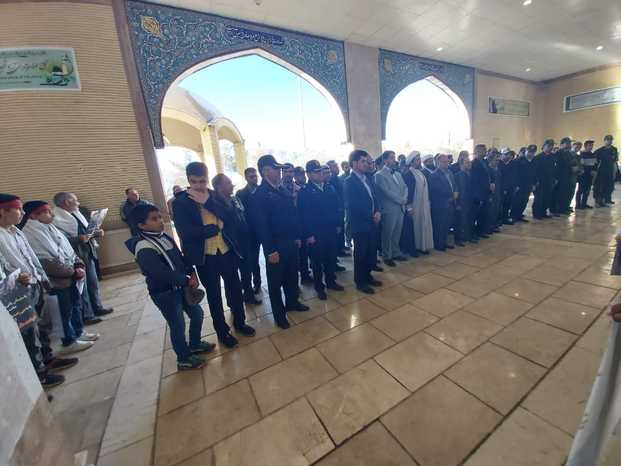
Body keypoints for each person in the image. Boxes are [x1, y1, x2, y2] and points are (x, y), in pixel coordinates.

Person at [172, 162, 255, 348]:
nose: (198, 186)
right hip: (205, 257)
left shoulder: (215, 195)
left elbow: (231, 217)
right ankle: (222, 332)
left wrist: (207, 202)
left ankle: (240, 323)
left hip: (226, 251)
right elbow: (185, 233)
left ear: (207, 178)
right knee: (214, 295)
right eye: (194, 181)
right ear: (188, 180)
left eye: (202, 181)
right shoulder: (180, 202)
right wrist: (211, 229)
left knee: (235, 289)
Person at [0, 194, 77, 388]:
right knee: (28, 333)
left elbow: (30, 258)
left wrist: (41, 278)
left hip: (34, 284)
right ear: (3, 211)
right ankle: (39, 374)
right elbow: (4, 267)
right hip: (17, 292)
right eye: (18, 209)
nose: (22, 213)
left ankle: (47, 359)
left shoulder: (15, 232)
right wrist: (16, 278)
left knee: (41, 327)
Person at [127, 204, 214, 370]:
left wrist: (191, 271)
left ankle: (195, 344)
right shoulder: (143, 246)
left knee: (197, 314)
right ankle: (184, 358)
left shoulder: (164, 237)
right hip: (164, 293)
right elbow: (159, 273)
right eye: (154, 219)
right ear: (141, 225)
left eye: (160, 217)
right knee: (178, 325)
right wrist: (185, 280)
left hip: (180, 287)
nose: (160, 221)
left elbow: (180, 257)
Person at [21, 201, 98, 354]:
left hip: (70, 274)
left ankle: (78, 332)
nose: (52, 214)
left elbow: (67, 250)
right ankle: (69, 341)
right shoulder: (30, 234)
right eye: (47, 212)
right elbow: (44, 262)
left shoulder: (50, 227)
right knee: (64, 312)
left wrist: (78, 265)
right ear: (34, 215)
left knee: (75, 306)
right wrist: (72, 272)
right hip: (57, 280)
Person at [252, 155, 309, 329]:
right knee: (275, 282)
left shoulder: (281, 189)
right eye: (276, 169)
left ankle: (292, 302)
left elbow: (293, 214)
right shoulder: (260, 194)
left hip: (290, 241)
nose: (280, 172)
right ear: (265, 171)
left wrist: (297, 236)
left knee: (292, 275)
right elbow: (261, 226)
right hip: (276, 246)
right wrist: (270, 250)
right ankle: (279, 315)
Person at [52, 192, 113, 324]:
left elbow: (86, 231)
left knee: (93, 282)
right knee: (82, 286)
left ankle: (97, 307)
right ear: (67, 202)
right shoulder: (56, 219)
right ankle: (87, 315)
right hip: (75, 255)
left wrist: (95, 233)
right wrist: (78, 239)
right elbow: (59, 240)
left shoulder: (75, 214)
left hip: (87, 251)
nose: (78, 203)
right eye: (75, 200)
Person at [212, 173, 262, 305]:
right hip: (230, 245)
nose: (232, 185)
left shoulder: (235, 199)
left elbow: (243, 216)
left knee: (246, 271)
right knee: (231, 276)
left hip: (244, 241)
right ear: (219, 187)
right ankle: (232, 302)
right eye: (228, 183)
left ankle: (249, 296)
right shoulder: (216, 204)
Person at [298, 160, 344, 300]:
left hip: (330, 230)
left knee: (331, 258)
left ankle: (331, 281)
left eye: (320, 171)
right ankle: (319, 287)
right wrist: (309, 234)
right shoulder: (305, 192)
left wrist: (338, 224)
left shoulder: (329, 187)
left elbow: (337, 207)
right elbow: (303, 216)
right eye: (316, 172)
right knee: (317, 262)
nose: (320, 174)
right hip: (316, 234)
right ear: (309, 174)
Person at [345, 150, 382, 294]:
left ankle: (368, 276)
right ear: (354, 163)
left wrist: (377, 211)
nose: (367, 164)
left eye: (367, 161)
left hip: (372, 222)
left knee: (370, 252)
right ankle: (360, 282)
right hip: (360, 224)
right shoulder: (349, 182)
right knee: (361, 254)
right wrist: (371, 215)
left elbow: (374, 198)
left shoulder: (367, 178)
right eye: (363, 161)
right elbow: (353, 205)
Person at [374, 150, 408, 266]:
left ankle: (395, 252)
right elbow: (386, 192)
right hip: (389, 208)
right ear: (385, 160)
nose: (394, 160)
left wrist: (405, 198)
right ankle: (387, 255)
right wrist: (401, 200)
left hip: (400, 207)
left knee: (397, 232)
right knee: (387, 233)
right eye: (392, 158)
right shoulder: (379, 175)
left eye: (394, 157)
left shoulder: (398, 174)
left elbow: (405, 187)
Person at [236, 167, 262, 294]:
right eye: (251, 176)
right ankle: (257, 283)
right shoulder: (241, 193)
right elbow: (240, 213)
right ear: (246, 178)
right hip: (251, 232)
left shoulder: (263, 190)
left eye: (255, 176)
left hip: (264, 230)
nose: (254, 178)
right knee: (253, 259)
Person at [406, 152, 434, 254]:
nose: (419, 161)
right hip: (415, 205)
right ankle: (415, 248)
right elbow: (408, 192)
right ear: (412, 162)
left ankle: (423, 246)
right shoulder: (409, 174)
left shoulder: (420, 172)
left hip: (424, 204)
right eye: (417, 160)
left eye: (419, 159)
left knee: (424, 224)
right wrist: (409, 207)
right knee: (416, 226)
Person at [429, 154, 456, 251]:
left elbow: (454, 185)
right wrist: (451, 195)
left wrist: (456, 192)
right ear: (438, 163)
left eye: (447, 162)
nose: (446, 164)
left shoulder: (450, 172)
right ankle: (439, 244)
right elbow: (437, 190)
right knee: (439, 225)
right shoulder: (434, 175)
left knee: (447, 224)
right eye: (444, 162)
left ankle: (444, 242)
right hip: (440, 204)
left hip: (450, 203)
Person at [327, 160, 348, 256]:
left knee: (341, 227)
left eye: (337, 166)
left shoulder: (337, 178)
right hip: (337, 208)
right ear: (330, 168)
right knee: (338, 229)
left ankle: (342, 246)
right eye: (335, 166)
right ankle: (339, 250)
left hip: (341, 206)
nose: (337, 168)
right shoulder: (331, 179)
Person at [511, 144, 537, 221]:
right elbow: (515, 174)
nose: (530, 154)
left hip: (528, 185)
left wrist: (534, 184)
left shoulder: (534, 161)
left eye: (532, 152)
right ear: (526, 151)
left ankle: (519, 215)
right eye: (529, 152)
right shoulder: (519, 160)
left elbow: (535, 174)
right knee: (517, 201)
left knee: (524, 201)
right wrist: (516, 185)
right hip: (520, 185)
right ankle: (513, 215)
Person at [471, 144, 492, 239]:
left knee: (484, 213)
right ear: (477, 151)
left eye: (485, 150)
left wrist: (490, 185)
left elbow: (488, 176)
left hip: (486, 192)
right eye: (483, 150)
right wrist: (477, 195)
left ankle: (481, 231)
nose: (485, 152)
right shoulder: (474, 163)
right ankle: (473, 233)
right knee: (475, 214)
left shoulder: (485, 162)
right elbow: (475, 181)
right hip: (478, 193)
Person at [532, 139, 557, 219]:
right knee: (539, 198)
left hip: (549, 180)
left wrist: (554, 179)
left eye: (552, 146)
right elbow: (535, 170)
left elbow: (554, 169)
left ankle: (543, 212)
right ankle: (537, 214)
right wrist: (536, 181)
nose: (550, 147)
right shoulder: (538, 157)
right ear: (544, 146)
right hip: (540, 181)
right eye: (548, 146)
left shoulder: (552, 157)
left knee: (547, 197)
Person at [552, 137, 576, 215]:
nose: (569, 144)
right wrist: (556, 178)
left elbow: (573, 163)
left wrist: (575, 168)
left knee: (567, 193)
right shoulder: (558, 153)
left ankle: (565, 207)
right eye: (567, 143)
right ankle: (558, 209)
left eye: (570, 143)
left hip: (569, 176)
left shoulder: (569, 154)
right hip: (560, 177)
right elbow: (556, 166)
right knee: (559, 194)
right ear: (562, 144)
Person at [594, 135, 618, 207]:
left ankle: (605, 200)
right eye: (607, 140)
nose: (609, 141)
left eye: (610, 140)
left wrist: (615, 171)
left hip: (610, 170)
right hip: (601, 171)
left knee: (609, 186)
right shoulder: (600, 150)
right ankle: (598, 201)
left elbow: (615, 160)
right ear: (604, 141)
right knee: (600, 186)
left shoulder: (614, 149)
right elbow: (595, 159)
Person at [454, 155, 474, 244]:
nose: (469, 164)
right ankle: (458, 239)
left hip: (470, 202)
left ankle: (467, 236)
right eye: (467, 163)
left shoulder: (470, 174)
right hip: (461, 202)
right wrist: (457, 204)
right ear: (461, 164)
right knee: (460, 221)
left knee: (468, 220)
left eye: (470, 162)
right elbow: (456, 190)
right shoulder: (457, 175)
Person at [576, 140, 597, 209]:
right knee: (580, 190)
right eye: (589, 145)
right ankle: (578, 205)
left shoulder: (593, 154)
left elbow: (595, 165)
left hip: (590, 176)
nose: (591, 147)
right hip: (583, 176)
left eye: (592, 145)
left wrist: (594, 171)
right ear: (585, 146)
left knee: (587, 191)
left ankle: (584, 204)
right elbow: (581, 166)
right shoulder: (581, 154)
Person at [499, 150, 516, 225]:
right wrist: (503, 188)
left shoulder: (513, 163)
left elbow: (515, 175)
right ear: (502, 155)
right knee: (500, 205)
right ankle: (499, 219)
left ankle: (505, 218)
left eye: (508, 154)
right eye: (505, 154)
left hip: (511, 188)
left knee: (508, 204)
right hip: (501, 188)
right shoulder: (499, 164)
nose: (507, 156)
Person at [339, 161, 352, 248]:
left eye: (348, 166)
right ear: (342, 168)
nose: (347, 168)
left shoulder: (354, 176)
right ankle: (348, 240)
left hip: (354, 203)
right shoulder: (340, 178)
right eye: (345, 167)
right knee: (348, 222)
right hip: (346, 204)